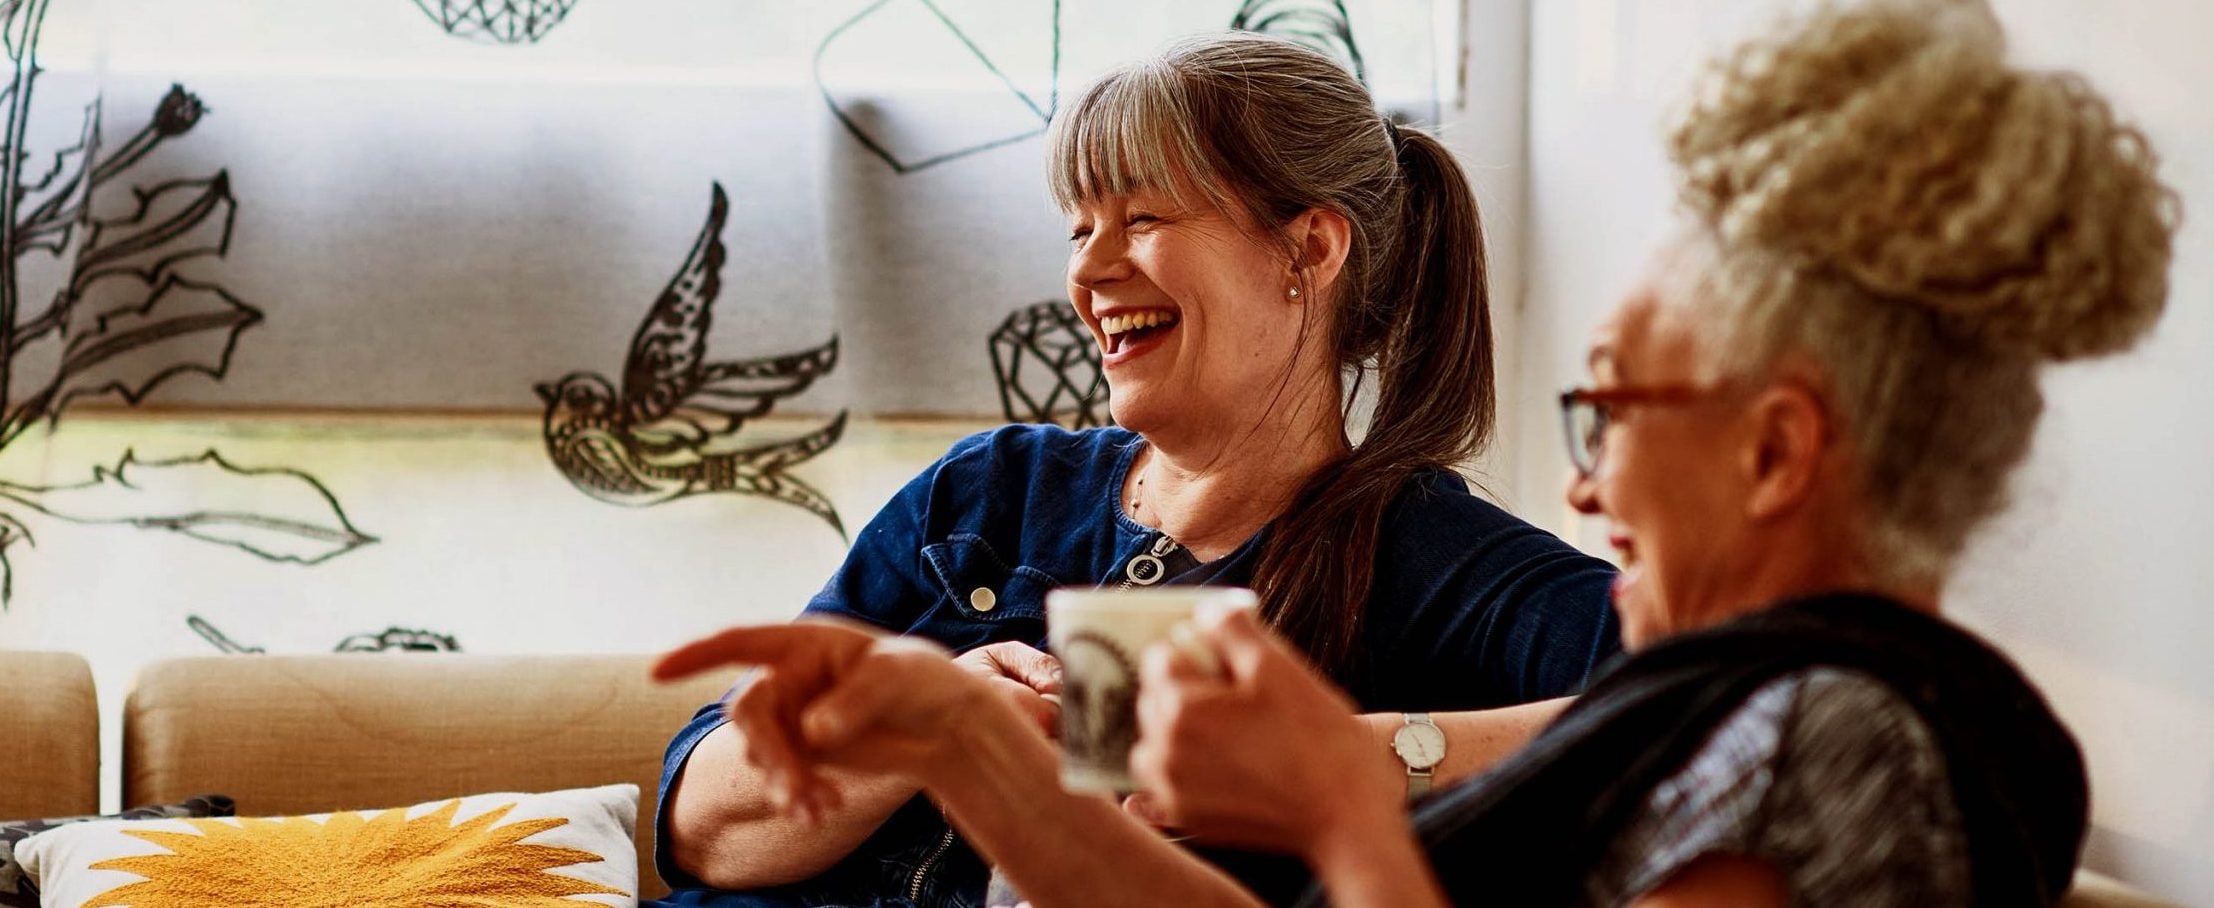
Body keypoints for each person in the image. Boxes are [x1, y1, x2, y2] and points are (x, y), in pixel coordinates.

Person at [651, 0, 2178, 905]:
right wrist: (953, 738)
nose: (1579, 484)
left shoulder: (1801, 728)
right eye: (1077, 224)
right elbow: (695, 803)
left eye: (1608, 418)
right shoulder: (989, 498)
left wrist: (1351, 776)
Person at [649, 32, 1622, 908]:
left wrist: (1358, 757)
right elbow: (695, 823)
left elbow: (1741, 702)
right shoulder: (993, 489)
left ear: (1310, 248)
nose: (1089, 269)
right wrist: (926, 728)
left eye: (1143, 217)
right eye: (1079, 227)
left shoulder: (1426, 555)